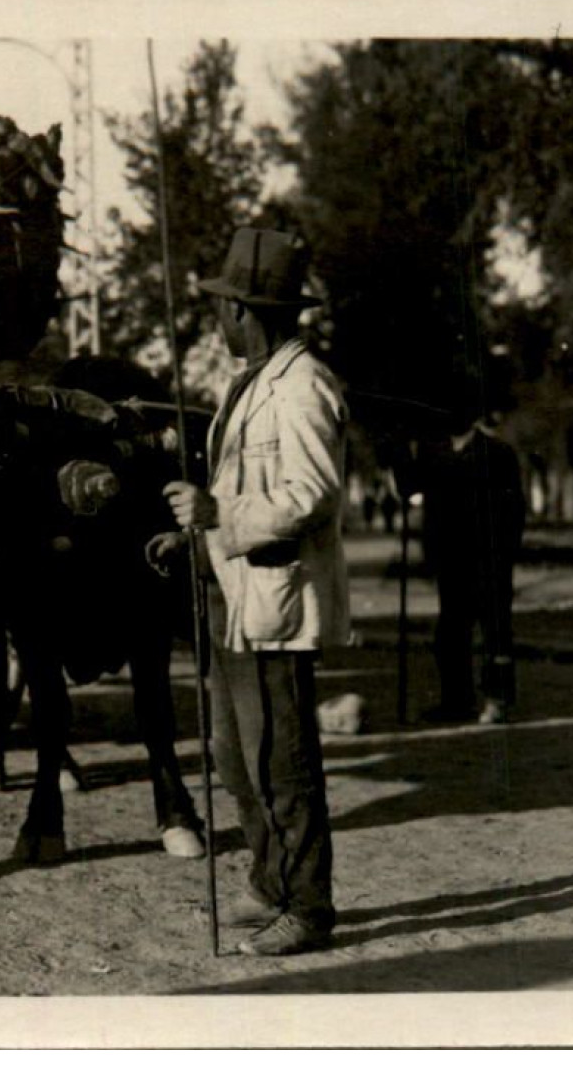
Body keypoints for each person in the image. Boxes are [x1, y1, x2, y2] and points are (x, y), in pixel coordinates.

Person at [160, 227, 350, 957]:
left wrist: (216, 514)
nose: (215, 316)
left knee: (282, 759)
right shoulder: (250, 380)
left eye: (221, 303)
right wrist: (194, 534)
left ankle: (308, 906)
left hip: (273, 603)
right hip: (232, 596)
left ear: (243, 309)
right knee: (237, 757)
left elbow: (311, 495)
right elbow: (247, 486)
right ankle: (269, 883)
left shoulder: (302, 386)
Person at [415, 406, 526, 725]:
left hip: (490, 557)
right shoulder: (434, 454)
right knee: (451, 633)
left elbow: (515, 508)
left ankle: (498, 698)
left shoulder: (498, 453)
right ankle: (456, 700)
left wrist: (507, 551)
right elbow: (415, 495)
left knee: (496, 631)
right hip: (452, 558)